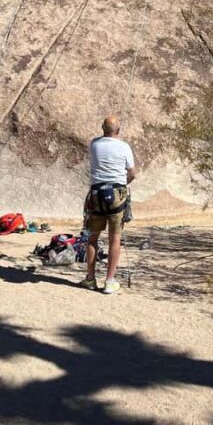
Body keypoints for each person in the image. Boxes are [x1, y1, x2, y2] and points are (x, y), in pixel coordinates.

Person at [79, 115, 136, 295]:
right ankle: (110, 281)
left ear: (102, 128)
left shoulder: (94, 144)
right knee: (115, 239)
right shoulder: (124, 147)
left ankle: (90, 279)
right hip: (117, 195)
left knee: (93, 238)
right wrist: (123, 182)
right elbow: (132, 173)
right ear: (118, 130)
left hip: (96, 195)